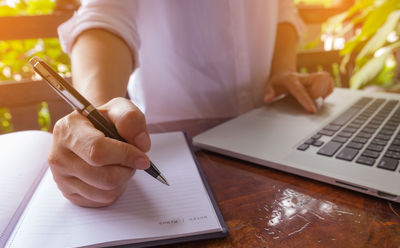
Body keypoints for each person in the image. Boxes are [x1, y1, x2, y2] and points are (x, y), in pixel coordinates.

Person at [50, 0, 334, 207]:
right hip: (172, 144)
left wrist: (281, 71)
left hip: (267, 137)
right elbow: (106, 15)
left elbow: (282, 10)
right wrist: (98, 114)